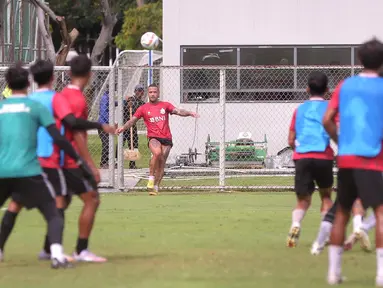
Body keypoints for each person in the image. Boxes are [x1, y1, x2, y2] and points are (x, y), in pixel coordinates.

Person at [0, 60, 116, 262]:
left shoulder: (18, 104)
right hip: (46, 162)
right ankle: (61, 252)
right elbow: (69, 127)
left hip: (18, 164)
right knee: (61, 205)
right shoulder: (50, 101)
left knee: (17, 204)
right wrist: (82, 160)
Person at [322, 38, 383, 285]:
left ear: (359, 60)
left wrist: (341, 141)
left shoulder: (345, 86)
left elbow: (327, 119)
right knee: (380, 212)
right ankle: (381, 274)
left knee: (341, 214)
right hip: (373, 160)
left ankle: (333, 273)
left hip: (346, 159)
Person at [116, 83, 199, 195]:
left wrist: (190, 113)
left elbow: (178, 111)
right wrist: (122, 128)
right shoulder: (143, 108)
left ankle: (155, 186)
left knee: (161, 162)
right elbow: (132, 121)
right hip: (153, 138)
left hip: (166, 138)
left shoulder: (165, 105)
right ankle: (151, 178)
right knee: (157, 153)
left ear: (158, 93)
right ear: (148, 94)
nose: (153, 94)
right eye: (150, 92)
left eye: (155, 92)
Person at [286, 71, 334, 248]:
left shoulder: (299, 110)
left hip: (302, 157)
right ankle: (326, 234)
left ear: (307, 89)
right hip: (323, 156)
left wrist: (299, 152)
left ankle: (296, 225)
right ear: (327, 90)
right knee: (326, 196)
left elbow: (290, 140)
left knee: (303, 200)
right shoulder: (330, 109)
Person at [122, 84, 146, 169]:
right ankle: (116, 162)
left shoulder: (141, 103)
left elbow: (146, 108)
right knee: (121, 143)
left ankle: (132, 164)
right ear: (135, 91)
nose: (139, 92)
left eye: (141, 91)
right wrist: (127, 105)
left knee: (134, 143)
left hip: (133, 125)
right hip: (125, 124)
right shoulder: (131, 99)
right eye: (137, 90)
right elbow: (123, 108)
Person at [98, 91, 117, 168]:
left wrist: (124, 101)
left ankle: (106, 162)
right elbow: (103, 112)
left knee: (109, 143)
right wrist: (111, 122)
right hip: (103, 125)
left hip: (106, 124)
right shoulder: (105, 99)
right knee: (106, 143)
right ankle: (103, 163)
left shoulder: (108, 98)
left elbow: (115, 103)